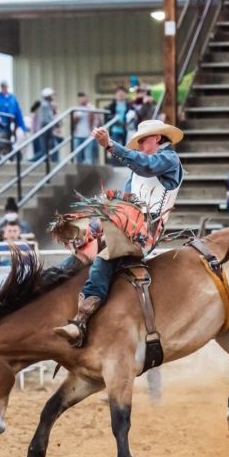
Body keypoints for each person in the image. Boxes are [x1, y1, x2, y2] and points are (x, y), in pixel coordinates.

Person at [53, 119, 184, 347]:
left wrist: (110, 145)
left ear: (158, 139)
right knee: (80, 255)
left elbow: (146, 165)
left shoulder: (169, 159)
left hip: (145, 232)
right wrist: (97, 224)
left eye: (144, 138)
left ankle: (81, 321)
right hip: (124, 226)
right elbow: (120, 204)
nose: (141, 142)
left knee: (106, 257)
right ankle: (48, 285)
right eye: (140, 139)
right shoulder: (138, 171)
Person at [72, 92, 102, 164]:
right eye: (80, 98)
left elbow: (97, 120)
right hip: (78, 134)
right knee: (78, 153)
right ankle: (79, 168)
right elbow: (72, 121)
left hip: (88, 134)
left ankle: (88, 169)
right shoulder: (76, 109)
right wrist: (75, 118)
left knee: (88, 155)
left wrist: (94, 131)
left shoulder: (91, 108)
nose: (82, 99)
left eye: (83, 97)